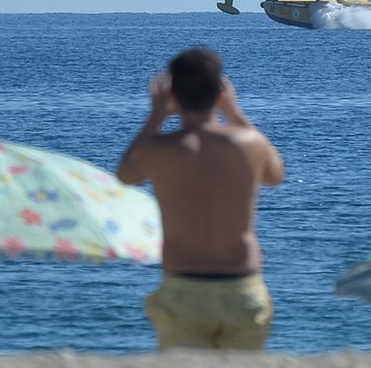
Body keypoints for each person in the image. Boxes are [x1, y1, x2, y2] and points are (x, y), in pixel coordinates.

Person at [117, 48, 284, 350]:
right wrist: (233, 112)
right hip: (241, 288)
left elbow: (125, 174)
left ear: (173, 96)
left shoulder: (159, 148)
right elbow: (275, 175)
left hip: (184, 288)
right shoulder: (249, 143)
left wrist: (156, 115)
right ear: (220, 92)